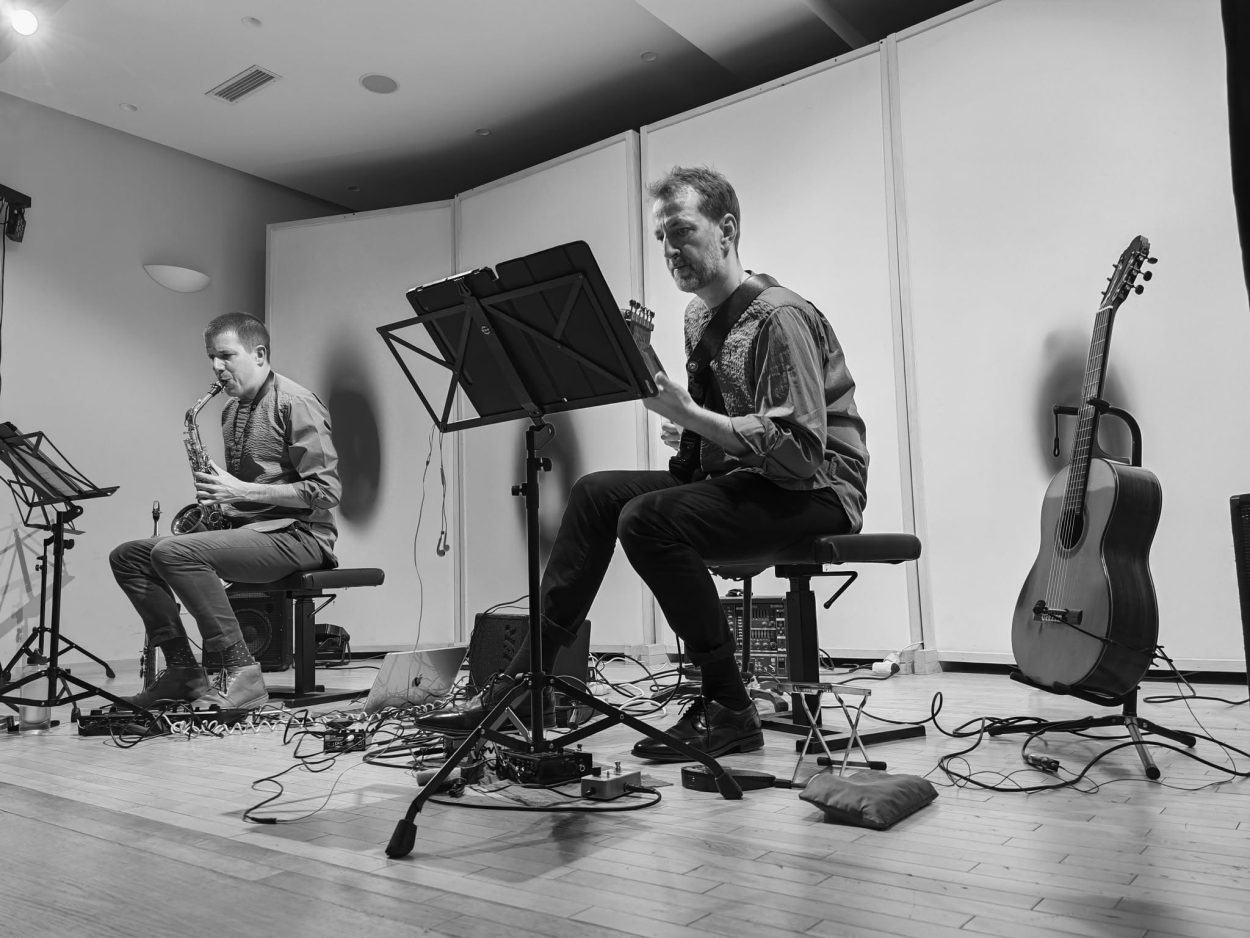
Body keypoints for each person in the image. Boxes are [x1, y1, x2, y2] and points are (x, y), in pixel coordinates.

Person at [419, 166, 868, 761]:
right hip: (754, 479)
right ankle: (526, 685)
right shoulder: (696, 317)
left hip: (819, 492)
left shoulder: (778, 316)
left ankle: (729, 706)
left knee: (647, 520)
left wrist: (693, 417)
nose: (669, 249)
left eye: (681, 231)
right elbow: (724, 431)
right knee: (594, 493)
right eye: (661, 237)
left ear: (727, 229)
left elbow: (801, 453)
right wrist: (694, 428)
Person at [110, 312, 341, 710]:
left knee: (173, 553)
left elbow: (325, 492)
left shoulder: (296, 402)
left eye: (226, 356)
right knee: (127, 556)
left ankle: (243, 671)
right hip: (251, 532)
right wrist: (223, 505)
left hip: (301, 535)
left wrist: (243, 489)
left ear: (259, 354)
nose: (217, 367)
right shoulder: (230, 410)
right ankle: (183, 672)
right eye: (211, 358)